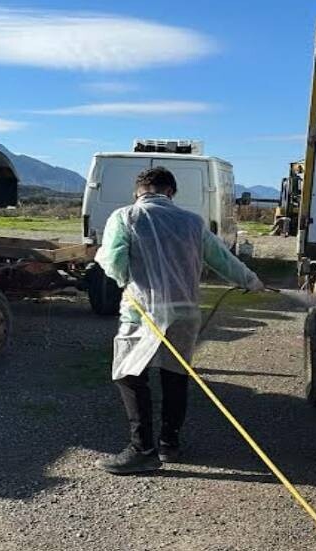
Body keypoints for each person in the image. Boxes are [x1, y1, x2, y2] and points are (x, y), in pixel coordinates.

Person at [93, 167, 265, 475]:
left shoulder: (125, 217)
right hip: (185, 311)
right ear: (171, 192)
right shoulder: (192, 222)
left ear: (138, 191)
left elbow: (114, 262)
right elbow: (222, 259)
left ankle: (142, 450)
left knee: (129, 374)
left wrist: (123, 279)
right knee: (175, 375)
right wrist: (251, 280)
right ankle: (169, 444)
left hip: (144, 311)